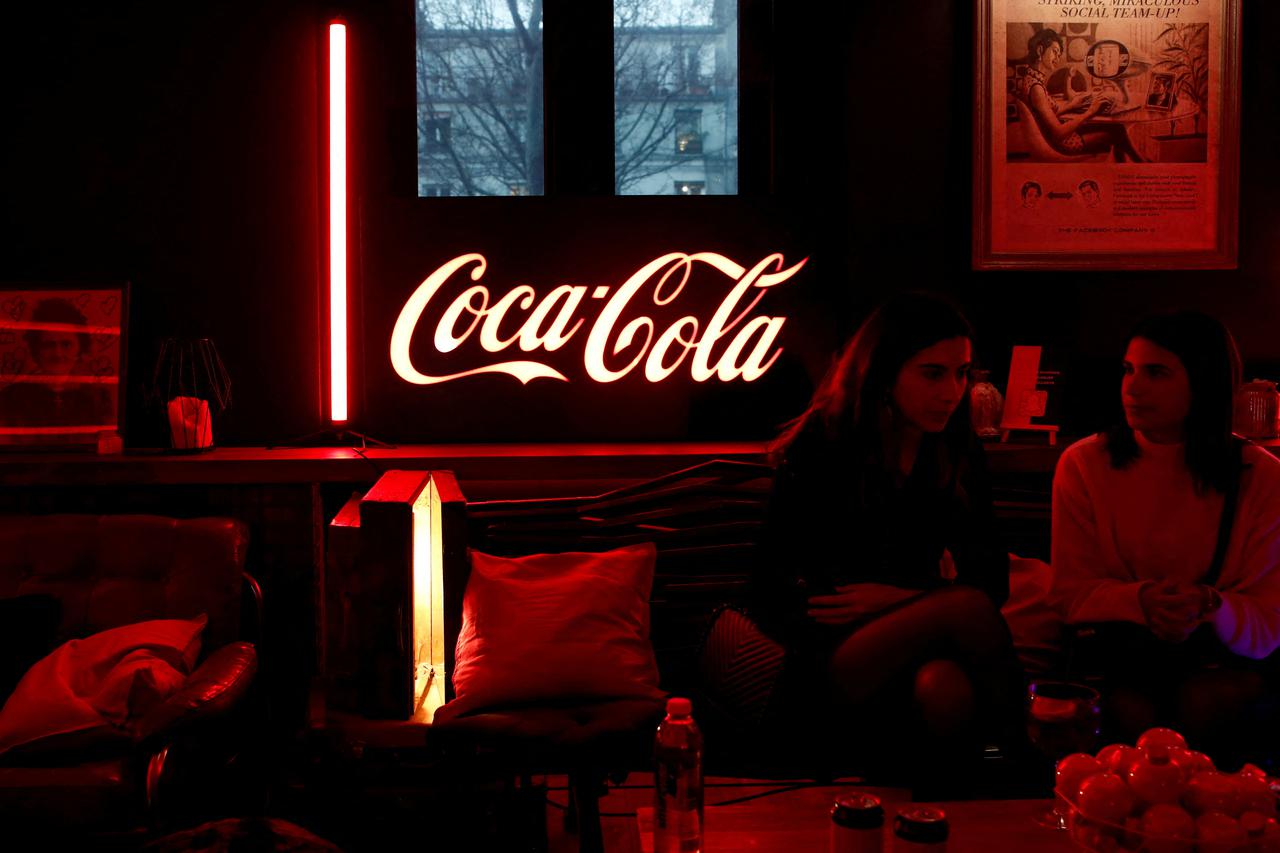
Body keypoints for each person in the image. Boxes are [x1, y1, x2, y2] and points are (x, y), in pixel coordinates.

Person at [752, 291, 1027, 793]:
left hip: (924, 640)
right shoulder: (827, 442)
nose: (952, 391)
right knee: (962, 608)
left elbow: (993, 579)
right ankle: (1030, 766)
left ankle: (956, 818)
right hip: (827, 653)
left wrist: (909, 602)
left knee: (945, 684)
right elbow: (770, 587)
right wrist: (904, 604)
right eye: (933, 373)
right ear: (884, 371)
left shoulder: (955, 446)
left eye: (962, 373)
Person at [1051, 311, 1280, 767]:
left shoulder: (1262, 476)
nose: (1132, 388)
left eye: (1156, 373)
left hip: (1221, 658)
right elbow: (1069, 595)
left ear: (1203, 381)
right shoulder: (1085, 464)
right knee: (1129, 709)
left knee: (1207, 700)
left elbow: (1269, 625)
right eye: (1128, 370)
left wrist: (1210, 604)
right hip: (1119, 653)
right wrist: (1142, 600)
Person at [1015, 28, 1144, 162]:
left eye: (1059, 54)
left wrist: (1072, 104)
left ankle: (1128, 165)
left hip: (1056, 138)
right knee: (1117, 131)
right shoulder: (1036, 89)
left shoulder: (1030, 80)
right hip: (1063, 144)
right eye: (1055, 52)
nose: (1057, 58)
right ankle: (1139, 163)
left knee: (1116, 128)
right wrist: (1091, 111)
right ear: (1040, 50)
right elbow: (1058, 133)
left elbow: (1049, 113)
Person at [0, 298, 114, 429]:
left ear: (80, 348)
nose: (57, 354)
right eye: (48, 345)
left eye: (66, 345)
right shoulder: (11, 399)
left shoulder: (98, 399)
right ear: (36, 350)